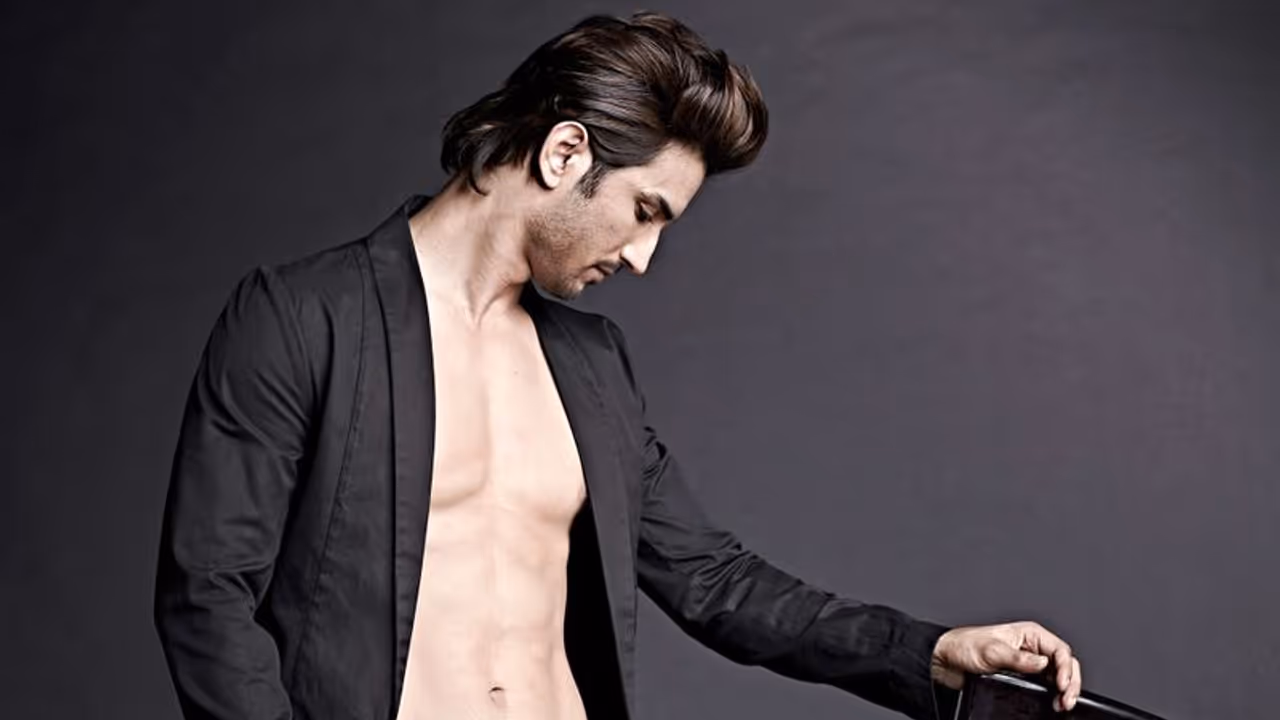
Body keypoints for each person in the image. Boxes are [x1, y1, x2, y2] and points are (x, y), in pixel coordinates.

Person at [153, 11, 1083, 720]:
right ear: (566, 152)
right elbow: (208, 598)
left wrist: (929, 652)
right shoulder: (302, 318)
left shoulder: (591, 364)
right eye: (645, 212)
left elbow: (716, 581)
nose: (642, 259)